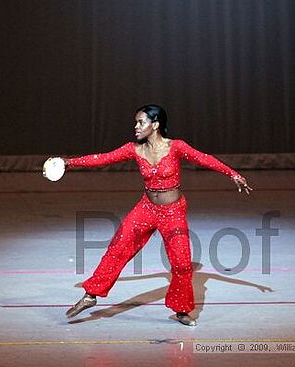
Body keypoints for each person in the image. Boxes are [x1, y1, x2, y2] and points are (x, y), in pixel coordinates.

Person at [63, 104, 251, 326]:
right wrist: (69, 162)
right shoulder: (134, 149)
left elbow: (204, 159)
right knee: (118, 248)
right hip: (146, 208)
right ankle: (90, 295)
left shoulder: (176, 147)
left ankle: (181, 311)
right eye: (136, 122)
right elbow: (102, 158)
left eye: (141, 122)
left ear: (156, 125)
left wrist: (233, 174)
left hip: (173, 212)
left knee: (181, 264)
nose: (136, 126)